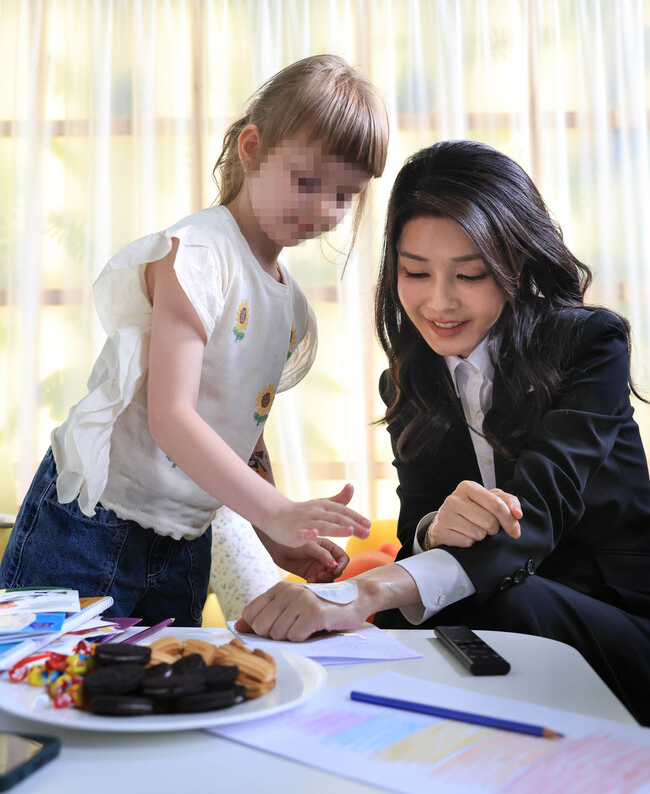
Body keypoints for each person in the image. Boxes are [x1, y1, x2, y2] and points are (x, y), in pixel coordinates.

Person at [236, 140, 650, 725]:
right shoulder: (410, 379)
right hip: (507, 618)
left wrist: (359, 593)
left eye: (471, 274)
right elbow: (416, 529)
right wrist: (434, 529)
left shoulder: (590, 346)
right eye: (415, 272)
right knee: (413, 612)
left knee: (472, 592)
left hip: (620, 627)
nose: (439, 302)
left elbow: (532, 521)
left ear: (517, 263)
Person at [0, 54, 390, 626]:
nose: (322, 210)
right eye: (306, 182)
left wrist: (269, 533)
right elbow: (172, 417)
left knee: (164, 697)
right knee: (37, 687)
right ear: (251, 148)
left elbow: (243, 430)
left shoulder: (289, 309)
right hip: (94, 518)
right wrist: (279, 510)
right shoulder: (201, 253)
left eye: (344, 195)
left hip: (185, 537)